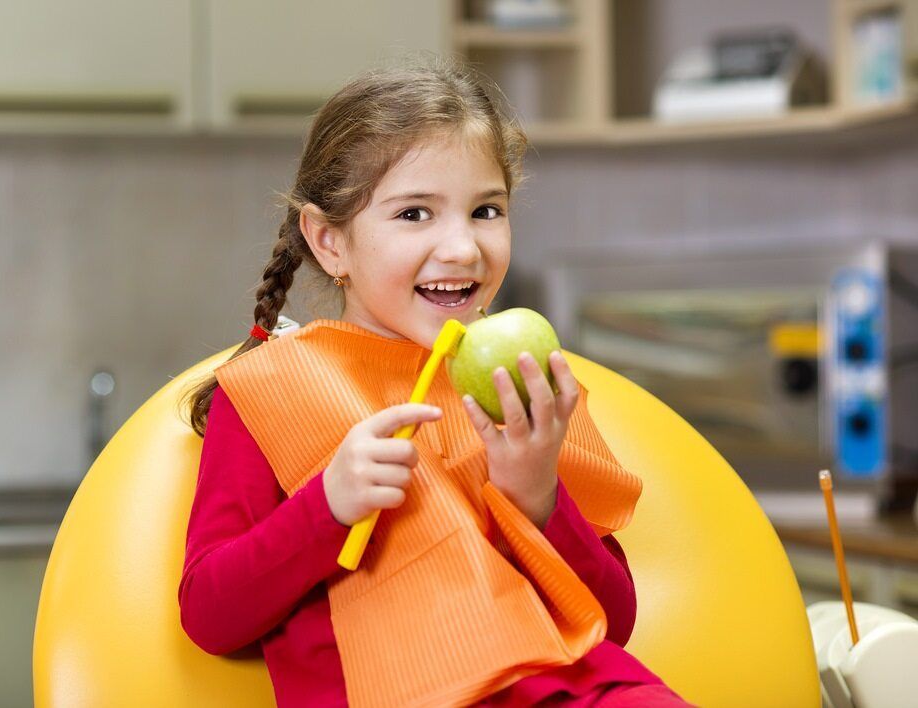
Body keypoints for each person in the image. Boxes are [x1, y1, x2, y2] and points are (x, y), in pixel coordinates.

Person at [178, 56, 695, 707]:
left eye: (486, 210)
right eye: (415, 215)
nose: (462, 247)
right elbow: (210, 614)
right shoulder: (266, 391)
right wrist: (328, 506)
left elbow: (612, 623)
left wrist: (537, 498)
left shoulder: (518, 384)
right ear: (329, 241)